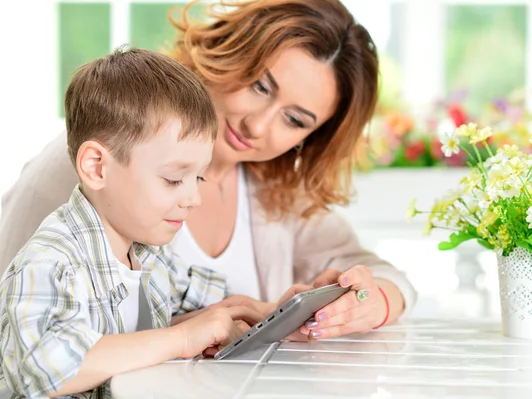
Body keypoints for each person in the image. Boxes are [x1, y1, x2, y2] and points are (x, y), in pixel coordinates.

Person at [0, 0, 417, 340]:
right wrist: (181, 338)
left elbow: (382, 274)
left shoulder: (274, 188)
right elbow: (19, 331)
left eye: (295, 120)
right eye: (260, 86)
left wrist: (372, 301)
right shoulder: (96, 159)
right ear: (227, 53)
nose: (257, 125)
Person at [0, 47, 262, 398]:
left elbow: (210, 302)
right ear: (96, 167)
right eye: (173, 179)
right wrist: (182, 338)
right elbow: (44, 370)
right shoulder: (51, 263)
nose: (193, 199)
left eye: (198, 178)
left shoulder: (148, 254)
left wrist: (271, 312)